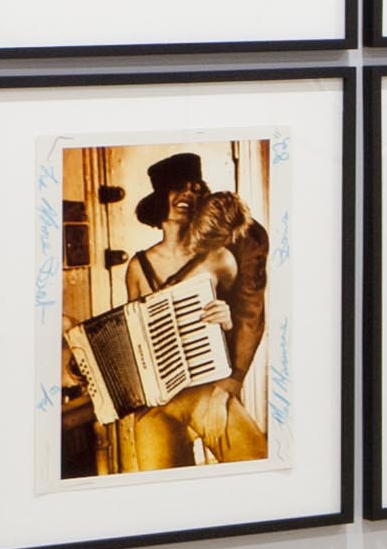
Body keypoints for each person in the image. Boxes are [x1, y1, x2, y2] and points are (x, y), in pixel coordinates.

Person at [111, 152, 274, 469]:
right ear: (160, 198)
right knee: (161, 488)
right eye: (177, 187)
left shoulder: (221, 257)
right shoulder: (138, 266)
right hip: (159, 401)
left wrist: (226, 320)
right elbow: (131, 334)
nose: (187, 194)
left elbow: (247, 318)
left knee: (256, 463)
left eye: (196, 188)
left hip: (208, 390)